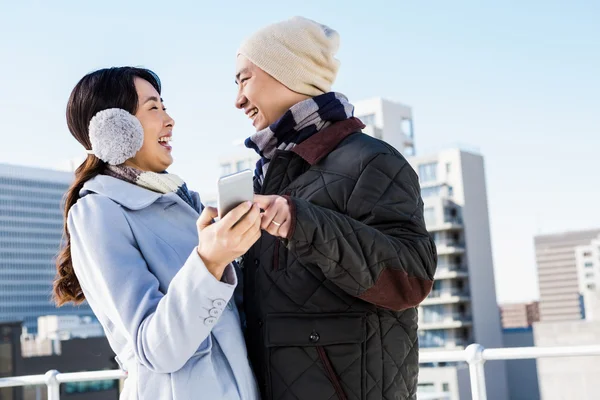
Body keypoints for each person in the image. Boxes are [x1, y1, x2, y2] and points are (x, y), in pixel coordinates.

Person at [234, 17, 437, 400]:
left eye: (245, 79)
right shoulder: (267, 175)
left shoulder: (371, 161)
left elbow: (410, 278)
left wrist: (301, 222)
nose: (238, 99)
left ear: (287, 72)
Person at [53, 67, 261, 400]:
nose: (170, 120)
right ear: (114, 129)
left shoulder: (183, 200)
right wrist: (209, 261)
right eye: (154, 108)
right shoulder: (99, 212)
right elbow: (157, 348)